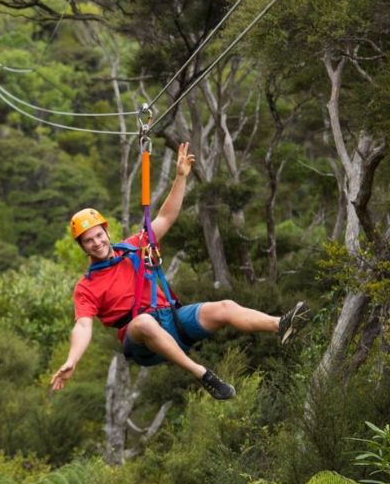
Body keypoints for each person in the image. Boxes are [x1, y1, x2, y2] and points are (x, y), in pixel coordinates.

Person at [49, 142, 308, 400]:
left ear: (107, 232)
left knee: (225, 307)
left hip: (171, 319)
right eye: (89, 241)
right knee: (143, 322)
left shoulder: (134, 247)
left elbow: (165, 218)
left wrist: (181, 177)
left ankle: (281, 325)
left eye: (98, 235)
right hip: (141, 339)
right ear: (82, 247)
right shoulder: (87, 286)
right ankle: (203, 374)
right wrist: (72, 359)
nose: (97, 243)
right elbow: (83, 326)